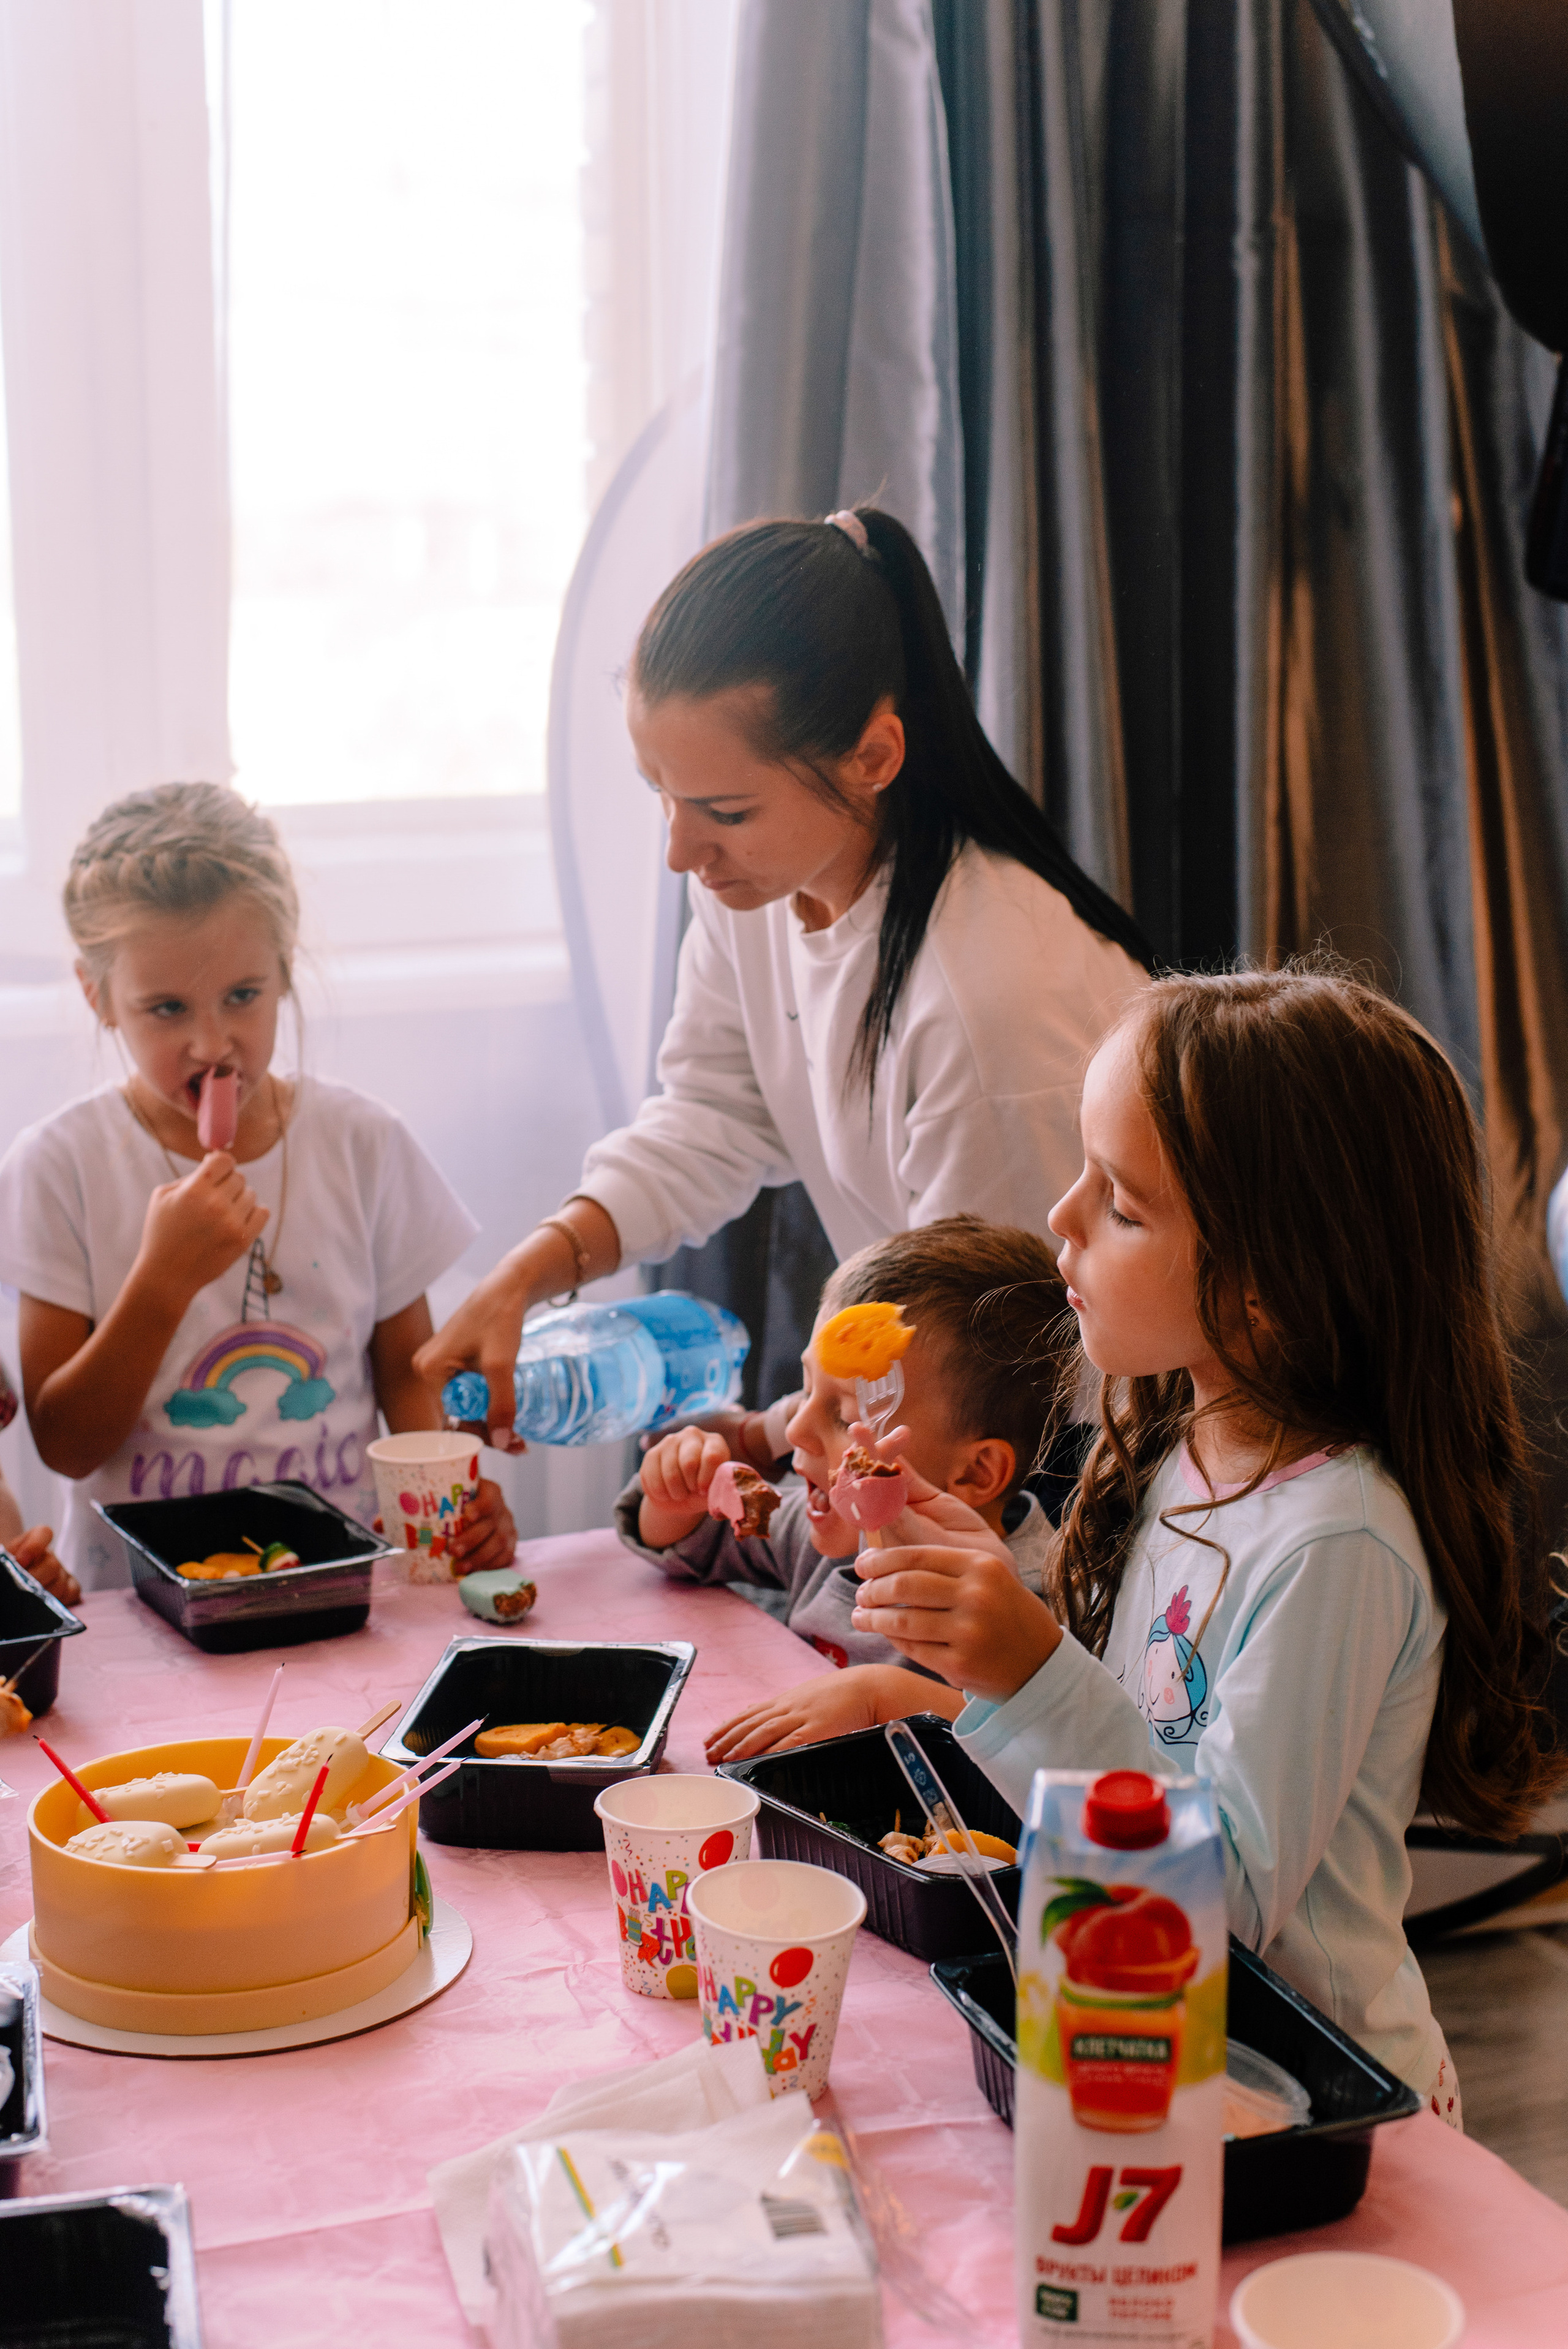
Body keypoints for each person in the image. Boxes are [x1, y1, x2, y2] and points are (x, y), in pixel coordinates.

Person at [847, 967, 1563, 2116]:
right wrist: (956, 1585)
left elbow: (1221, 1896)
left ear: (1268, 1287)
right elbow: (1132, 1740)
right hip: (1173, 2044)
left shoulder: (1339, 1541)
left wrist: (1030, 1671)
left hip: (1321, 2100)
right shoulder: (1180, 1450)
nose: (1061, 1218)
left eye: (1122, 1205)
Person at [415, 506, 1149, 1450]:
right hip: (926, 1420)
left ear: (873, 758)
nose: (681, 852)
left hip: (1063, 1460)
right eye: (662, 794)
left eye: (725, 811)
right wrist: (532, 1270)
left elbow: (1005, 1364)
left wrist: (774, 1439)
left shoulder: (989, 1005)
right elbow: (713, 1117)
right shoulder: (763, 889)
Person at [0, 784, 516, 1590]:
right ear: (98, 996)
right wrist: (162, 1282)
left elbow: (407, 1381)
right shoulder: (60, 1166)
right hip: (143, 1605)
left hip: (339, 1588)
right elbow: (65, 1444)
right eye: (166, 1008)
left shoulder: (362, 1144)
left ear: (284, 970)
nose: (212, 1044)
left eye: (242, 996)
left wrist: (455, 1497)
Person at [612, 1216, 1072, 1760]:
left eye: (845, 1417)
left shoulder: (1030, 1605)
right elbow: (688, 1545)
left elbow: (1042, 1745)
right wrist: (674, 1498)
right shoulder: (827, 1529)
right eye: (804, 1391)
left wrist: (884, 1697)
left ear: (975, 1474)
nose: (795, 1431)